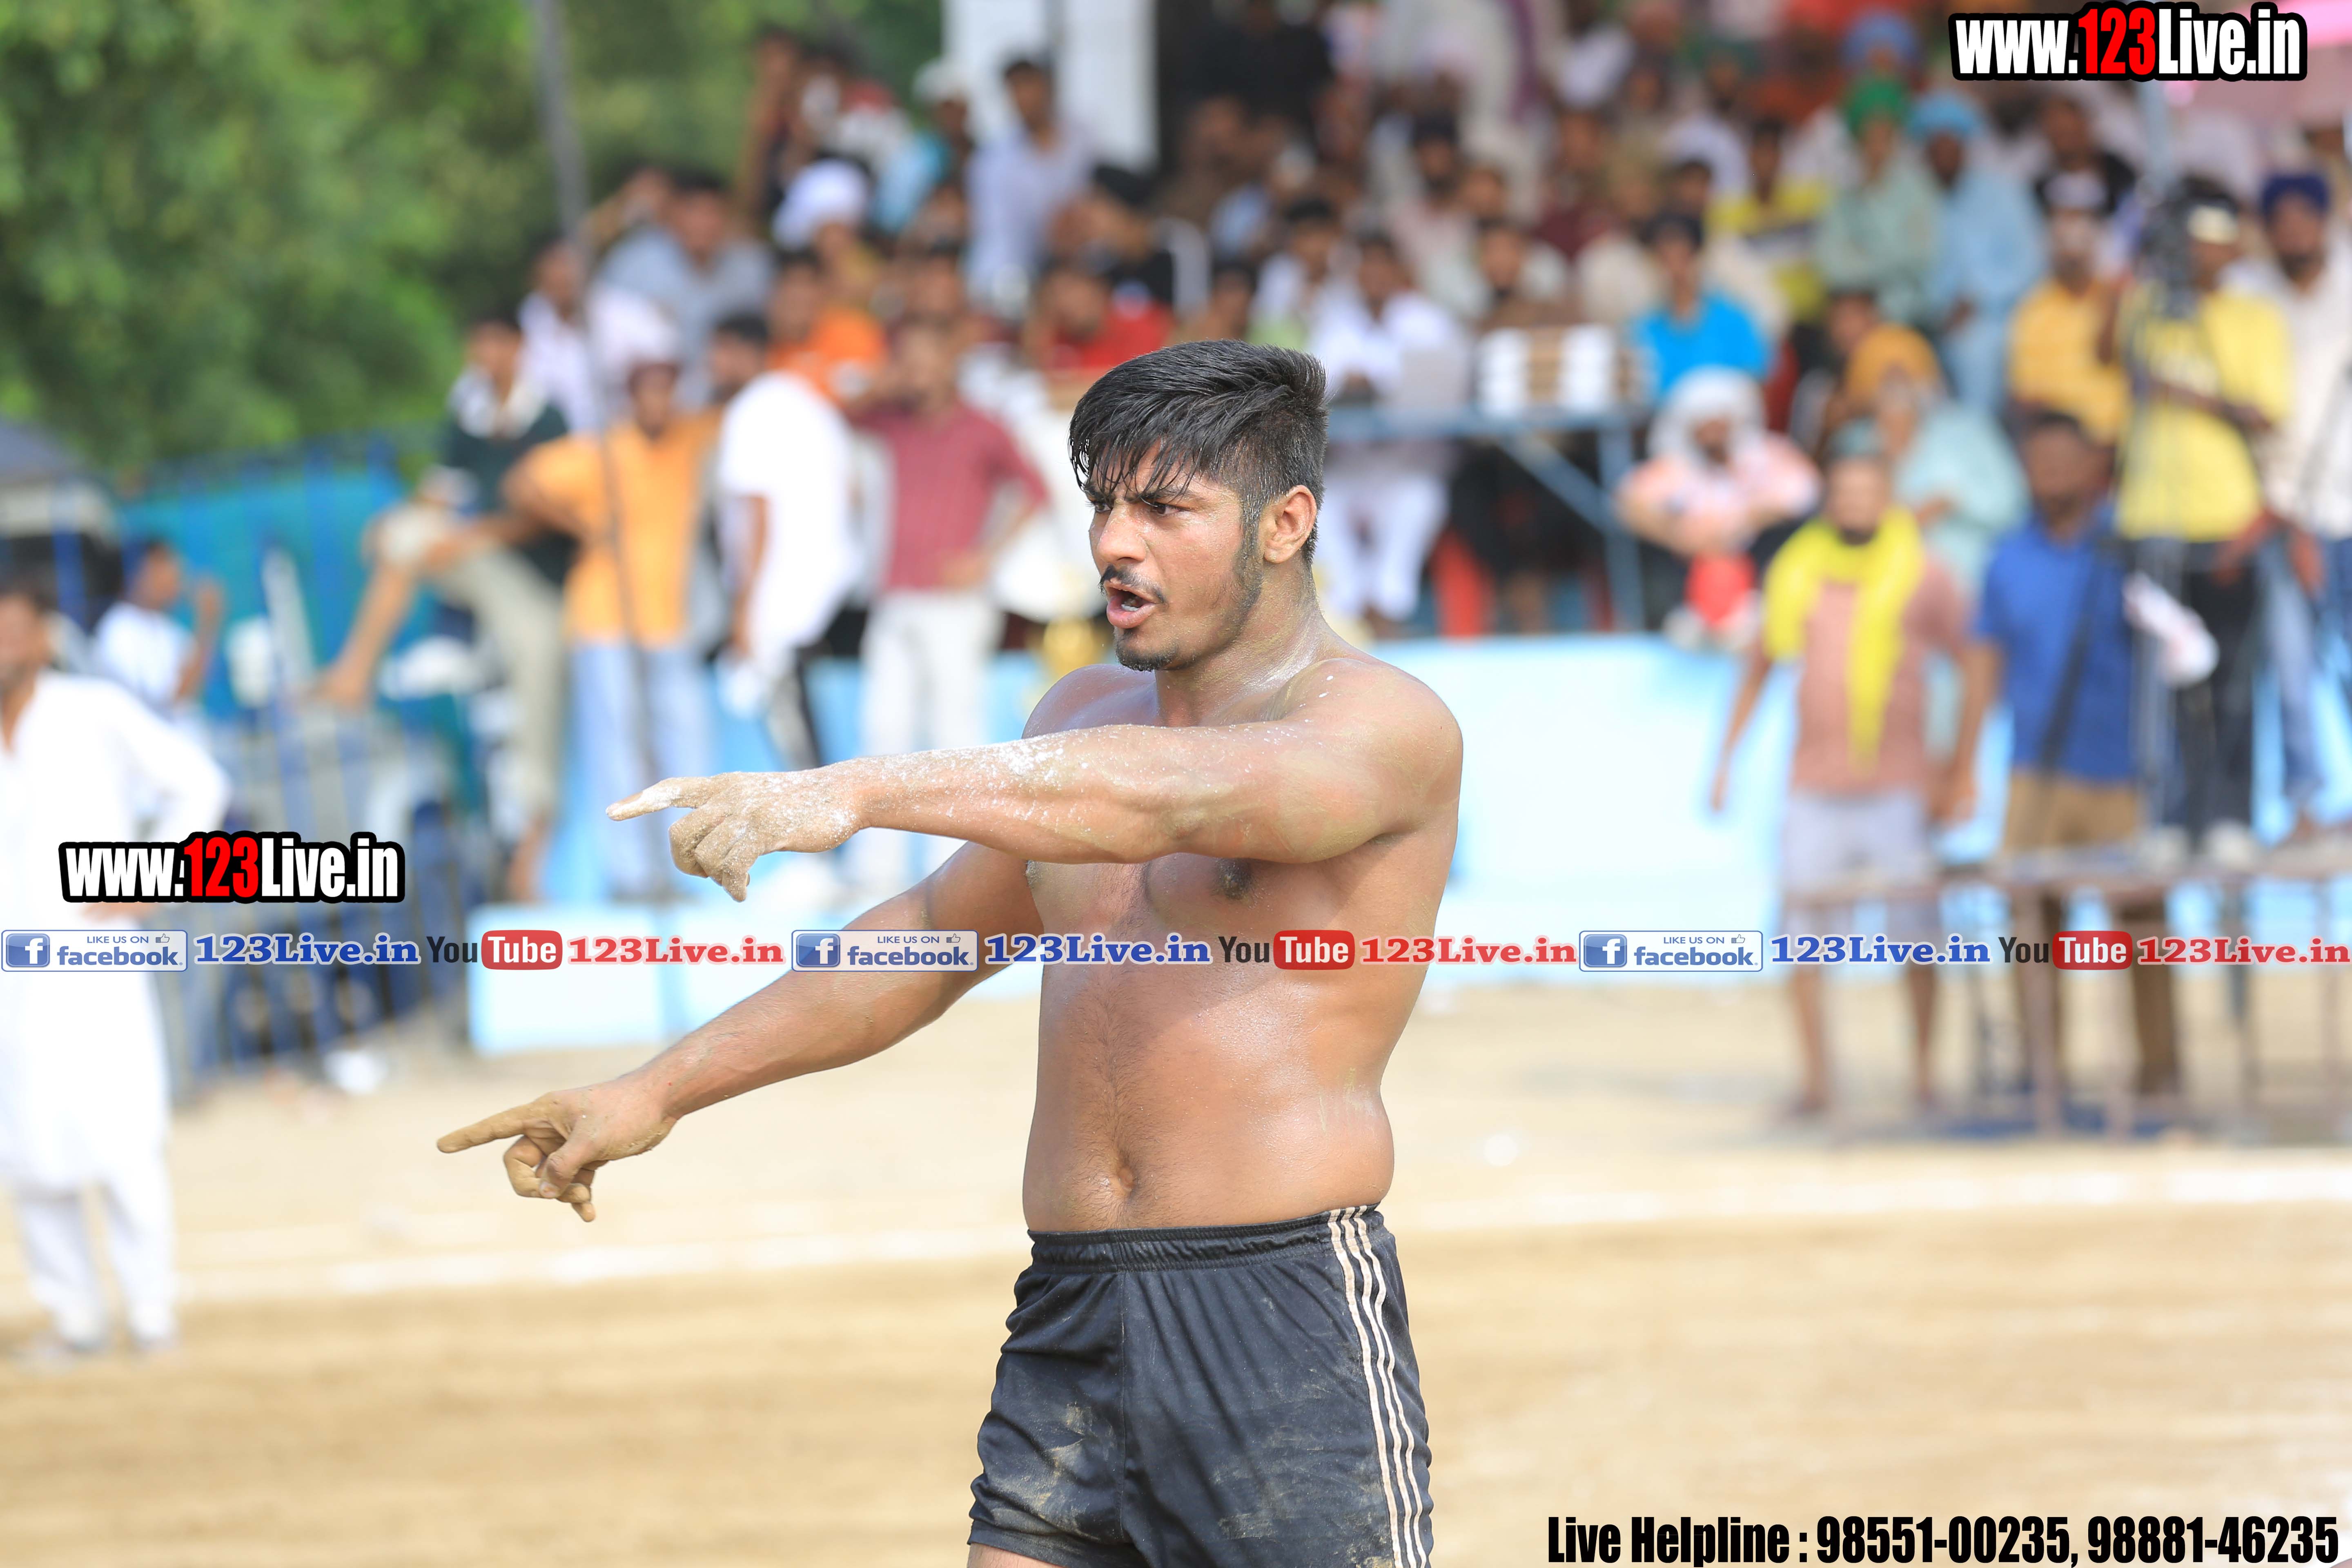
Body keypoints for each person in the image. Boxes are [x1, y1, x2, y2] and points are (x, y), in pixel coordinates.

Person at [436, 341, 1456, 1568]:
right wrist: (654, 1089)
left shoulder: (1378, 722)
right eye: (1103, 505)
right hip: (1070, 1305)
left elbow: (1171, 799)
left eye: (1163, 509)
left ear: (1285, 523)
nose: (1113, 544)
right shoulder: (1075, 718)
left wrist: (859, 787)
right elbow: (927, 937)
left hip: (1272, 1308)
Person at [0, 570, 229, 1365]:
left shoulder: (91, 711)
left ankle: (151, 1310)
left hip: (95, 955)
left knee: (123, 1131)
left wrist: (155, 875)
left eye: (12, 632)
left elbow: (198, 784)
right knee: (27, 1144)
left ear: (42, 638)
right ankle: (75, 1318)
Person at [1710, 451, 1971, 1118]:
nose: (1855, 503)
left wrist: (1958, 769)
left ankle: (1924, 1078)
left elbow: (1974, 663)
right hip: (1814, 786)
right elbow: (1760, 666)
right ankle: (1817, 1084)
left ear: (1888, 498)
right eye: (1844, 492)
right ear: (1829, 501)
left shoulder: (1927, 575)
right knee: (1803, 938)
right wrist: (1726, 761)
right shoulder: (1797, 572)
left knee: (1917, 938)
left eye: (1867, 492)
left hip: (1901, 785)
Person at [1960, 412, 2178, 1100]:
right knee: (2030, 927)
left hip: (2123, 770)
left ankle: (2160, 1072)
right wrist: (1963, 764)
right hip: (2035, 771)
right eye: (2040, 461)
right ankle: (2042, 1074)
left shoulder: (2131, 548)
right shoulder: (2006, 558)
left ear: (2092, 468)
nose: (2053, 474)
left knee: (2143, 926)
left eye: (2065, 460)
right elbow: (1984, 660)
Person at [2107, 194, 2291, 863]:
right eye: (2190, 239)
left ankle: (2232, 816)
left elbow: (2267, 412)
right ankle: (2168, 815)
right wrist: (2134, 260)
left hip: (2227, 520)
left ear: (2234, 249)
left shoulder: (2253, 316)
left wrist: (2184, 393)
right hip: (2151, 518)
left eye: (2214, 240)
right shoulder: (2149, 306)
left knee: (2234, 682)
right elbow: (2107, 354)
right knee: (2162, 682)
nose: (2200, 252)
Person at [505, 357, 720, 900]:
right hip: (605, 620)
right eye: (648, 393)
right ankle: (630, 877)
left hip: (668, 621)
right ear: (631, 399)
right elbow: (522, 482)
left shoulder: (687, 439)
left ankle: (687, 869)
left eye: (666, 392)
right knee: (616, 750)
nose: (658, 404)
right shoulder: (602, 450)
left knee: (685, 748)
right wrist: (580, 527)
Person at [848, 318, 1049, 893]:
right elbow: (838, 413)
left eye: (925, 358)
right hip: (895, 594)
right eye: (906, 358)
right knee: (883, 729)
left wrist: (985, 558)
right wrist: (887, 381)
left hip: (956, 602)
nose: (917, 370)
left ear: (949, 362)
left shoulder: (982, 427)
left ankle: (951, 874)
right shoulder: (891, 420)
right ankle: (877, 872)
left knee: (953, 733)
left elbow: (1035, 490)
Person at [2243, 172, 2350, 838]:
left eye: (2303, 216)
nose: (2293, 230)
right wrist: (2290, 516)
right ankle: (2304, 802)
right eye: (2279, 219)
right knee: (2291, 665)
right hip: (2285, 513)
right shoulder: (2251, 299)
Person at [711, 313, 858, 777]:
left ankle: (819, 824)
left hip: (776, 591)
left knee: (792, 736)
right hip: (824, 583)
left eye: (719, 352)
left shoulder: (749, 411)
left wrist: (743, 610)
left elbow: (757, 515)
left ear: (745, 352)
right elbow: (854, 491)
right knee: (803, 718)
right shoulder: (808, 400)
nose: (712, 365)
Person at [1309, 234, 1468, 635]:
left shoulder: (1428, 320)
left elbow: (1445, 388)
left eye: (1384, 264)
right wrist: (1346, 387)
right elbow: (1313, 388)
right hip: (1351, 463)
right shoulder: (1335, 322)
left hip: (1409, 462)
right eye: (1367, 264)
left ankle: (1388, 610)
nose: (1375, 273)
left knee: (1419, 500)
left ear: (1400, 271)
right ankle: (1347, 612)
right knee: (1317, 506)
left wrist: (1380, 385)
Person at [1615, 368, 1821, 648]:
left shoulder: (1767, 455)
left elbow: (1806, 492)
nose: (1712, 433)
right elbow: (1629, 503)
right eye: (1703, 424)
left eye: (1719, 423)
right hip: (1690, 563)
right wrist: (1677, 534)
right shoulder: (1675, 466)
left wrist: (1749, 519)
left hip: (1755, 556)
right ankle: (1689, 615)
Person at [1913, 93, 2045, 413]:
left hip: (2000, 316)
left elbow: (2031, 264)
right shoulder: (1916, 199)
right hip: (1931, 318)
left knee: (1976, 348)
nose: (1943, 156)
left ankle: (1977, 434)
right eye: (1935, 147)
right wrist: (1938, 308)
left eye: (1951, 145)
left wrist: (1977, 298)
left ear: (1965, 147)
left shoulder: (2003, 193)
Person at [599, 169, 774, 408]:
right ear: (672, 214)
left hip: (733, 402)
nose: (703, 223)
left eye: (713, 212)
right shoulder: (631, 265)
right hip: (649, 404)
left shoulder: (753, 268)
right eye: (693, 210)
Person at [966, 56, 1093, 314]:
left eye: (1030, 86)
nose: (1025, 97)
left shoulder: (1084, 140)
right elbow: (997, 236)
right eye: (1016, 89)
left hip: (1083, 265)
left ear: (1048, 88)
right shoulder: (992, 161)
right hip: (1021, 276)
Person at [2006, 186, 2129, 445]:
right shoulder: (2033, 309)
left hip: (2114, 440)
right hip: (2060, 442)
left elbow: (2110, 358)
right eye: (2064, 242)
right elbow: (2025, 397)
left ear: (2095, 247)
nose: (2072, 253)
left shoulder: (2117, 300)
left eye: (2080, 240)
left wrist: (2113, 304)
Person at [1815, 78, 1939, 331]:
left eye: (1885, 135)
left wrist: (1861, 256)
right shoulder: (1844, 198)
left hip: (1913, 311)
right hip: (1860, 312)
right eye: (1871, 135)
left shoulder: (1919, 190)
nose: (1878, 145)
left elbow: (1921, 257)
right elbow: (1829, 265)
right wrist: (1889, 263)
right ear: (1857, 140)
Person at [518, 234, 673, 435]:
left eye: (569, 264)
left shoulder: (629, 315)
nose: (564, 274)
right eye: (555, 268)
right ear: (538, 279)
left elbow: (670, 367)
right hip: (557, 444)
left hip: (626, 438)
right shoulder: (529, 319)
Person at [1628, 212, 1768, 396]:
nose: (1675, 270)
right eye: (1664, 259)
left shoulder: (1734, 319)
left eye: (1682, 257)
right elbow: (1642, 395)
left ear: (1698, 257)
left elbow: (1755, 380)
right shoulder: (1642, 331)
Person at [92, 538, 223, 729]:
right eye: (163, 567)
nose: (175, 575)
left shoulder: (164, 626)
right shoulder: (119, 630)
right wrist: (207, 623)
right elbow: (171, 698)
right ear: (135, 575)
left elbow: (198, 678)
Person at [1025, 259, 1174, 405]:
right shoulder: (1059, 338)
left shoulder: (1137, 324)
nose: (1067, 303)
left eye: (1074, 292)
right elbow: (1039, 389)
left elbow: (1138, 386)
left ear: (1098, 290)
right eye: (1056, 296)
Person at [766, 247, 887, 408]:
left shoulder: (856, 331)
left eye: (807, 284)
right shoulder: (761, 346)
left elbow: (878, 389)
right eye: (788, 284)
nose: (797, 293)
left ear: (823, 289)